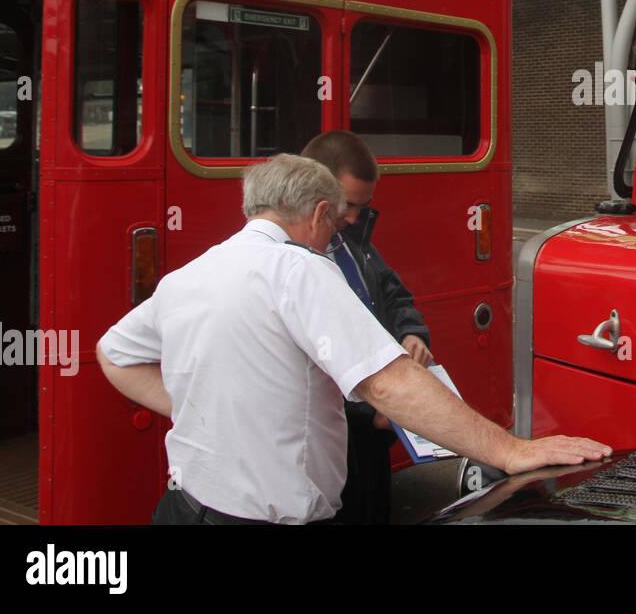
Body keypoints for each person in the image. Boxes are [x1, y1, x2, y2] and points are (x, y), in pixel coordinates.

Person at [96, 154, 609, 524]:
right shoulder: (300, 269)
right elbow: (388, 385)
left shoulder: (190, 275)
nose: (336, 235)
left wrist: (196, 409)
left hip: (182, 510)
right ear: (319, 213)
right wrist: (509, 450)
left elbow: (114, 355)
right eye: (335, 222)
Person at [301, 130, 431, 524]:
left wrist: (412, 334)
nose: (355, 218)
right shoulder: (294, 264)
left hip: (372, 434)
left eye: (364, 205)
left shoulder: (350, 240)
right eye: (347, 205)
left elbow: (393, 295)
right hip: (334, 443)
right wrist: (368, 411)